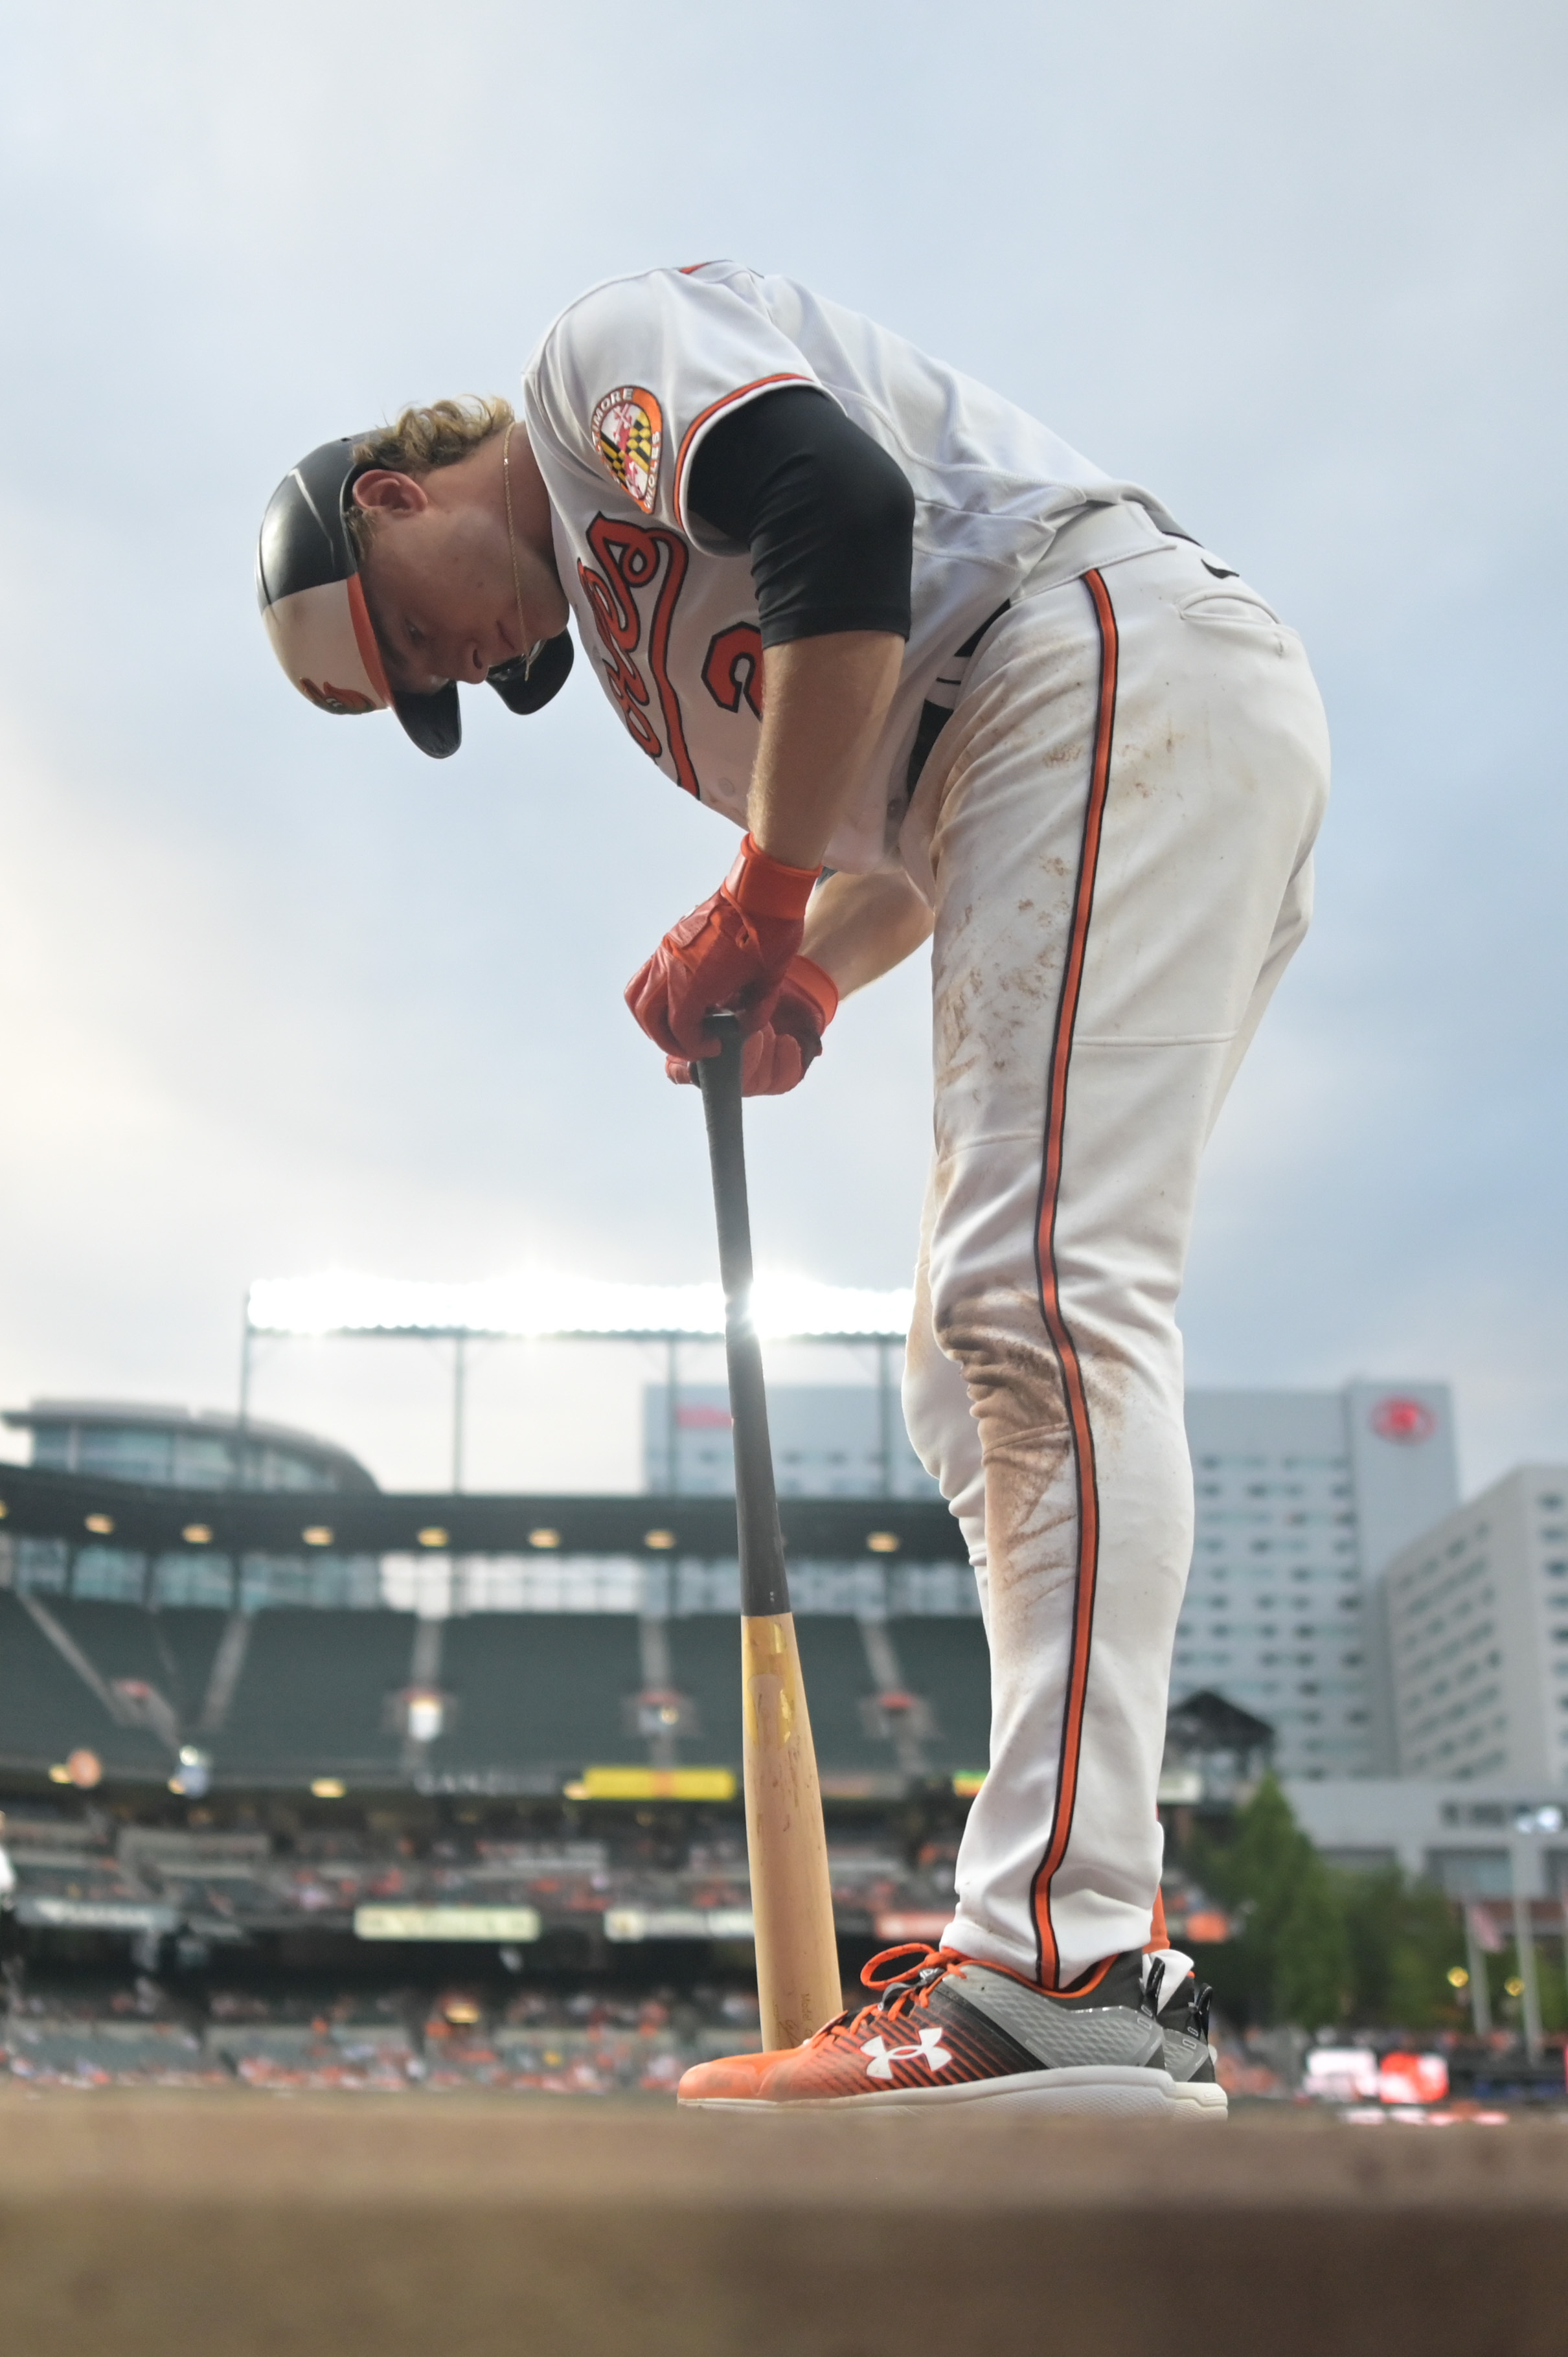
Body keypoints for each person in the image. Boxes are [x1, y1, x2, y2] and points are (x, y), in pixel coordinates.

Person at [258, 260, 1328, 2115]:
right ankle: (1081, 1954)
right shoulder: (633, 674)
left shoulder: (591, 367)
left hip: (1093, 657)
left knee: (1037, 1299)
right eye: (415, 693)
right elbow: (903, 807)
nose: (442, 680)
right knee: (963, 1354)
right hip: (1035, 734)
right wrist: (817, 954)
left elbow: (843, 507)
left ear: (393, 494)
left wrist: (758, 906)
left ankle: (1054, 1969)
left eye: (399, 638)